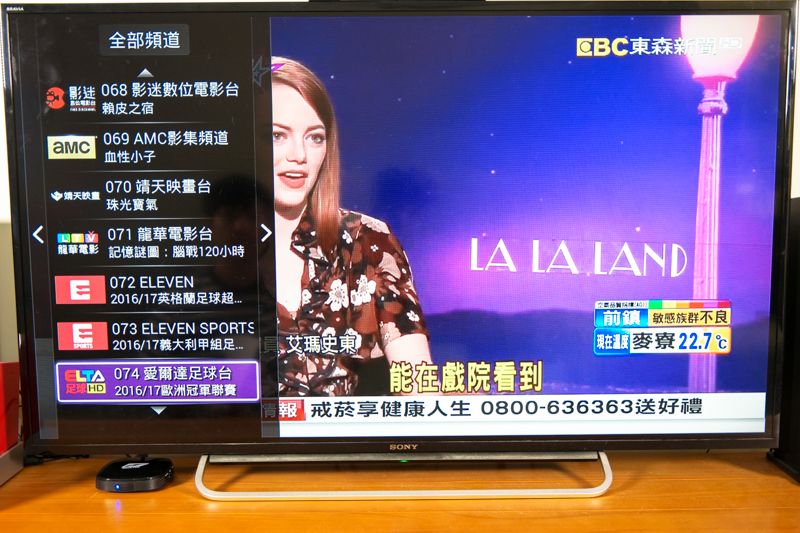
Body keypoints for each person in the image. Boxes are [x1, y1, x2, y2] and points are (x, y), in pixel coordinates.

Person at [268, 57, 432, 396]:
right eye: (277, 135)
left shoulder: (368, 241)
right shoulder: (198, 249)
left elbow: (418, 386)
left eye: (314, 138)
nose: (299, 155)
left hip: (340, 431)